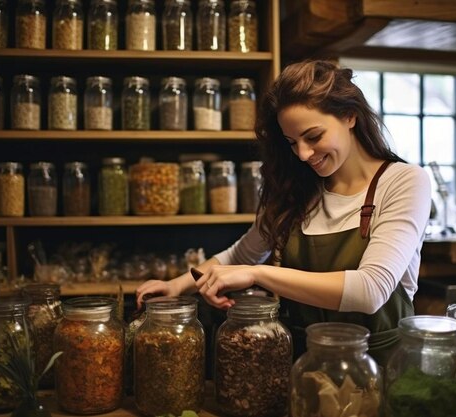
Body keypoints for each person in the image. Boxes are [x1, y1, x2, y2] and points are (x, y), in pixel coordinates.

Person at [136, 60, 432, 365]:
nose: (303, 154)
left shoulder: (404, 181)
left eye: (314, 136)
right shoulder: (298, 189)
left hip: (379, 368)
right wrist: (177, 285)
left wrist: (257, 274)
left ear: (350, 116)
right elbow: (242, 254)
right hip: (305, 364)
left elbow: (371, 290)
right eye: (292, 142)